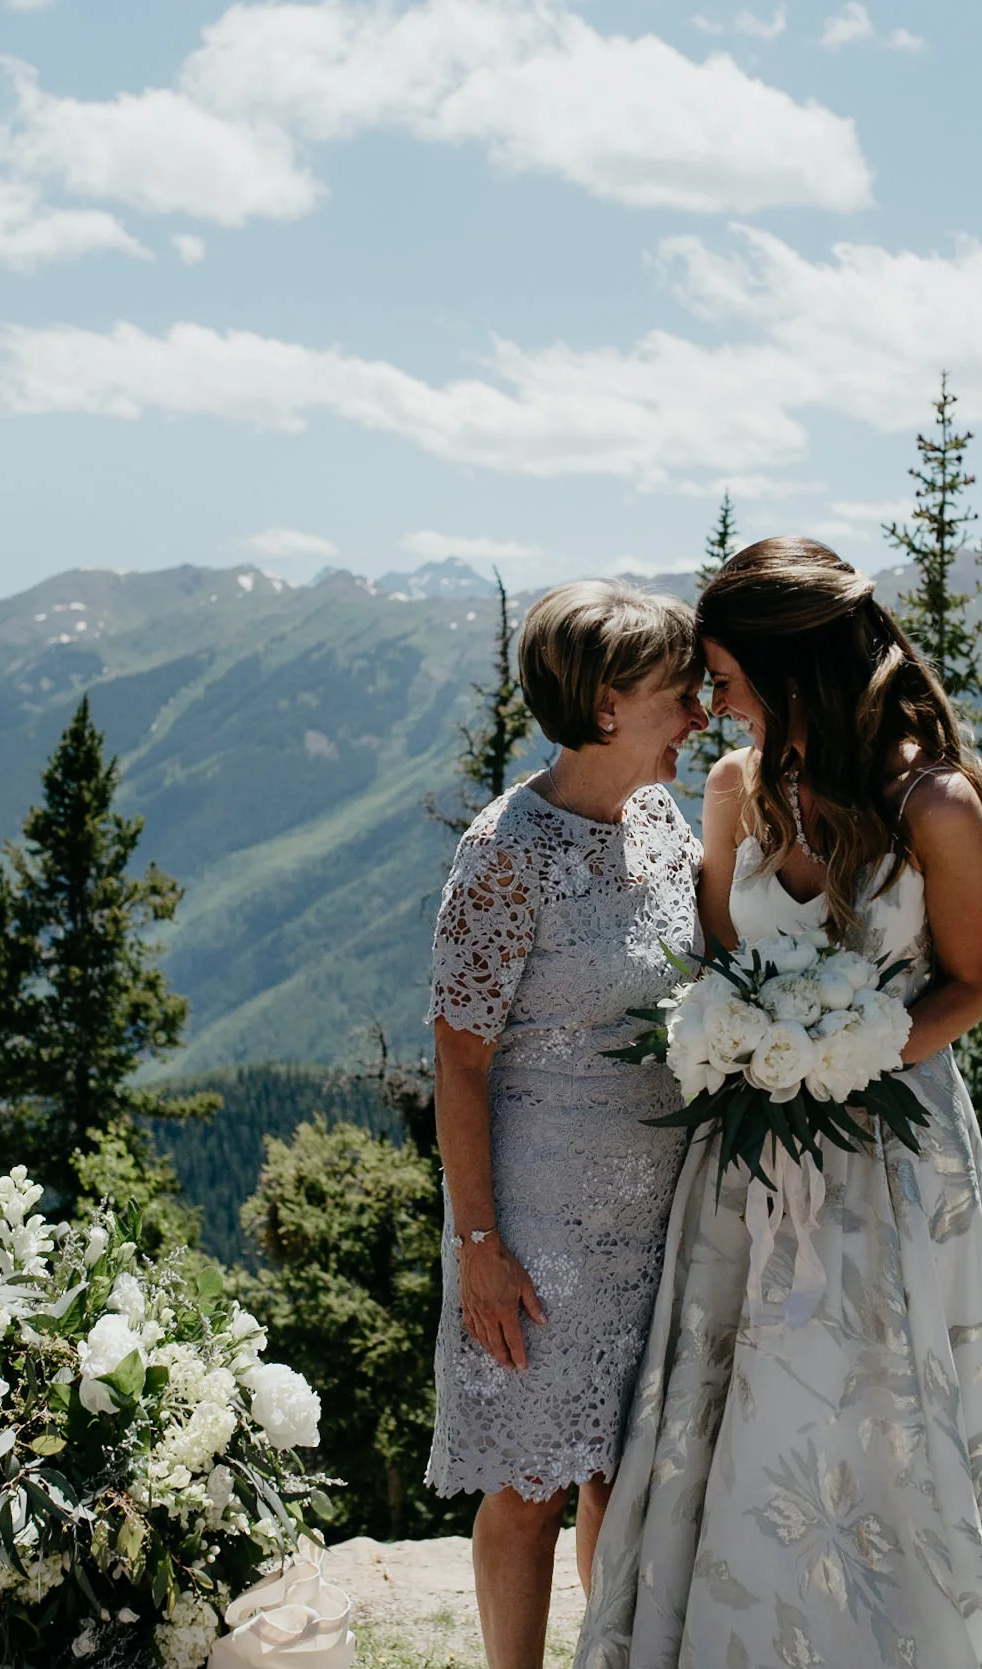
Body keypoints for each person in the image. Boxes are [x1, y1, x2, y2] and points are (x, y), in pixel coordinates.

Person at [576, 539, 982, 1669]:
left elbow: (974, 979)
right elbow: (717, 959)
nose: (713, 701)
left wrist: (853, 1052)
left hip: (897, 1163)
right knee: (748, 1406)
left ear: (789, 665)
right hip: (747, 1170)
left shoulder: (933, 802)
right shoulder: (732, 791)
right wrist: (751, 1044)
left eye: (727, 673)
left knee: (888, 1411)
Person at [425, 579, 710, 1669]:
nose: (695, 712)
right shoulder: (506, 849)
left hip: (661, 1212)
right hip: (537, 1226)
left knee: (622, 1473)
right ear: (603, 705)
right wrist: (479, 1246)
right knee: (531, 1478)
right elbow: (458, 1058)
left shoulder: (660, 820)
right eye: (676, 693)